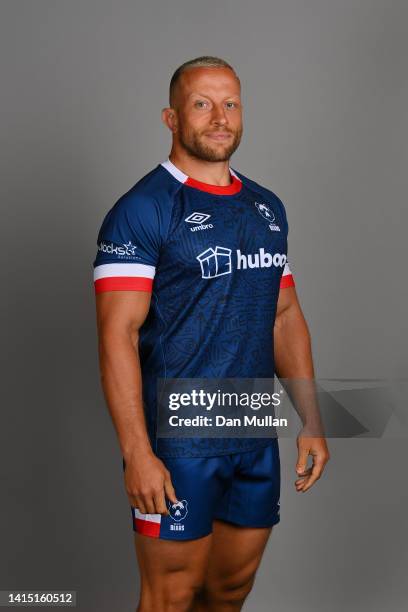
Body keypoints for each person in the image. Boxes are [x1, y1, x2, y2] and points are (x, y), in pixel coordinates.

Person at [93, 56, 330, 612]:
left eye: (230, 103)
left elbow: (284, 315)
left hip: (251, 430)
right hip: (178, 442)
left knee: (228, 593)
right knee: (170, 597)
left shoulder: (267, 207)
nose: (219, 117)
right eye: (202, 103)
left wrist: (312, 421)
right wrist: (136, 453)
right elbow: (116, 337)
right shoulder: (143, 209)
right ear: (172, 118)